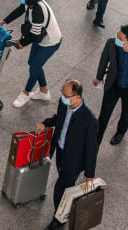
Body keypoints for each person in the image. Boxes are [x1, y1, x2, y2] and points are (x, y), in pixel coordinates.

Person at [36, 80, 99, 230]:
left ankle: (59, 219)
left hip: (75, 160)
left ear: (77, 97)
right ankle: (67, 207)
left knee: (60, 188)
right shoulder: (64, 104)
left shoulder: (89, 120)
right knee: (66, 186)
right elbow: (59, 119)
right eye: (62, 93)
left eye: (66, 95)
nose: (62, 97)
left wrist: (90, 174)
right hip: (61, 153)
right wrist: (46, 123)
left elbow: (92, 149)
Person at [3, 0, 62, 108]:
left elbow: (34, 35)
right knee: (33, 63)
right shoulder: (30, 3)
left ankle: (25, 93)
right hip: (40, 39)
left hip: (50, 42)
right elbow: (19, 10)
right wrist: (4, 21)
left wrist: (21, 42)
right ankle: (44, 91)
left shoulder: (37, 11)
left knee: (34, 66)